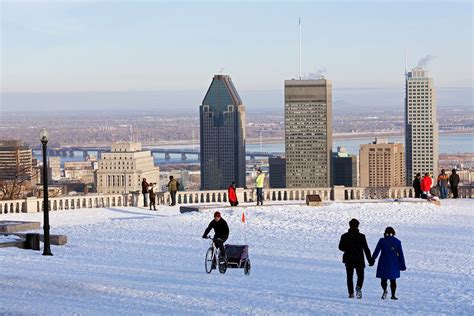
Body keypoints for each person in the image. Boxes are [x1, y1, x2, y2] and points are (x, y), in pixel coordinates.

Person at [338, 218, 373, 299]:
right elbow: (366, 249)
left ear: (349, 225)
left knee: (349, 276)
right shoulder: (361, 236)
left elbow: (340, 247)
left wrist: (346, 249)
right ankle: (358, 287)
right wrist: (370, 260)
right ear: (358, 226)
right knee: (360, 276)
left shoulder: (344, 236)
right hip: (359, 259)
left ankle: (351, 293)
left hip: (348, 259)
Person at [371, 227, 406, 300]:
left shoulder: (382, 241)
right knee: (393, 280)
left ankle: (384, 290)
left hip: (383, 262)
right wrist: (402, 265)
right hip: (394, 262)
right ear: (393, 233)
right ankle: (393, 295)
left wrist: (372, 259)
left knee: (383, 279)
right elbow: (401, 254)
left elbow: (376, 251)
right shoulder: (397, 242)